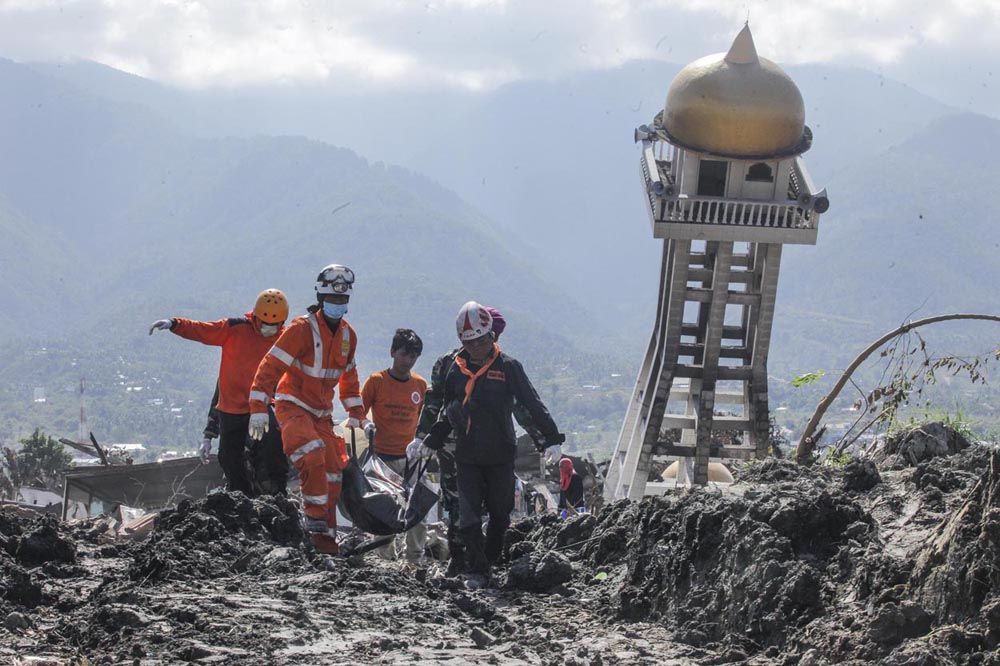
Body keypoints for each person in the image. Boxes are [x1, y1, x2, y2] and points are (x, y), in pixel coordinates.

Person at [418, 301, 564, 588]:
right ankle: (477, 570)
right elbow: (448, 408)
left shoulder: (508, 367)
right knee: (468, 518)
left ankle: (490, 560)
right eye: (468, 342)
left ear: (491, 336)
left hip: (500, 454)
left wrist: (551, 438)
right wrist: (428, 439)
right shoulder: (454, 369)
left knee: (500, 514)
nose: (475, 347)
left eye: (480, 340)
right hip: (467, 455)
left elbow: (530, 404)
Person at [248, 264, 367, 555]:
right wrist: (258, 405)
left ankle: (324, 542)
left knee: (333, 470)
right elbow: (271, 365)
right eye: (332, 300)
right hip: (293, 406)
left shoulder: (348, 337)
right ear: (321, 297)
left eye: (342, 301)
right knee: (311, 453)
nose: (337, 305)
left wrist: (356, 413)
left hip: (322, 414)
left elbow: (349, 377)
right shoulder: (302, 330)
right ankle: (312, 520)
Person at [149, 289, 289, 496]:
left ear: (282, 323)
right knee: (228, 457)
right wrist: (175, 324)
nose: (268, 329)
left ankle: (276, 494)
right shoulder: (234, 328)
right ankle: (241, 498)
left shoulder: (286, 339)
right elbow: (203, 330)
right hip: (232, 409)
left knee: (272, 450)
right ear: (255, 318)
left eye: (273, 325)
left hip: (263, 407)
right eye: (264, 324)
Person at [361, 328, 428, 562]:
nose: (408, 360)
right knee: (383, 513)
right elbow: (359, 412)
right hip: (382, 458)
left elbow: (424, 419)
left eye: (413, 356)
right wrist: (365, 425)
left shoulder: (420, 385)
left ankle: (414, 559)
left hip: (411, 460)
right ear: (392, 352)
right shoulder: (376, 381)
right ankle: (384, 559)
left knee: (418, 511)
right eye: (404, 354)